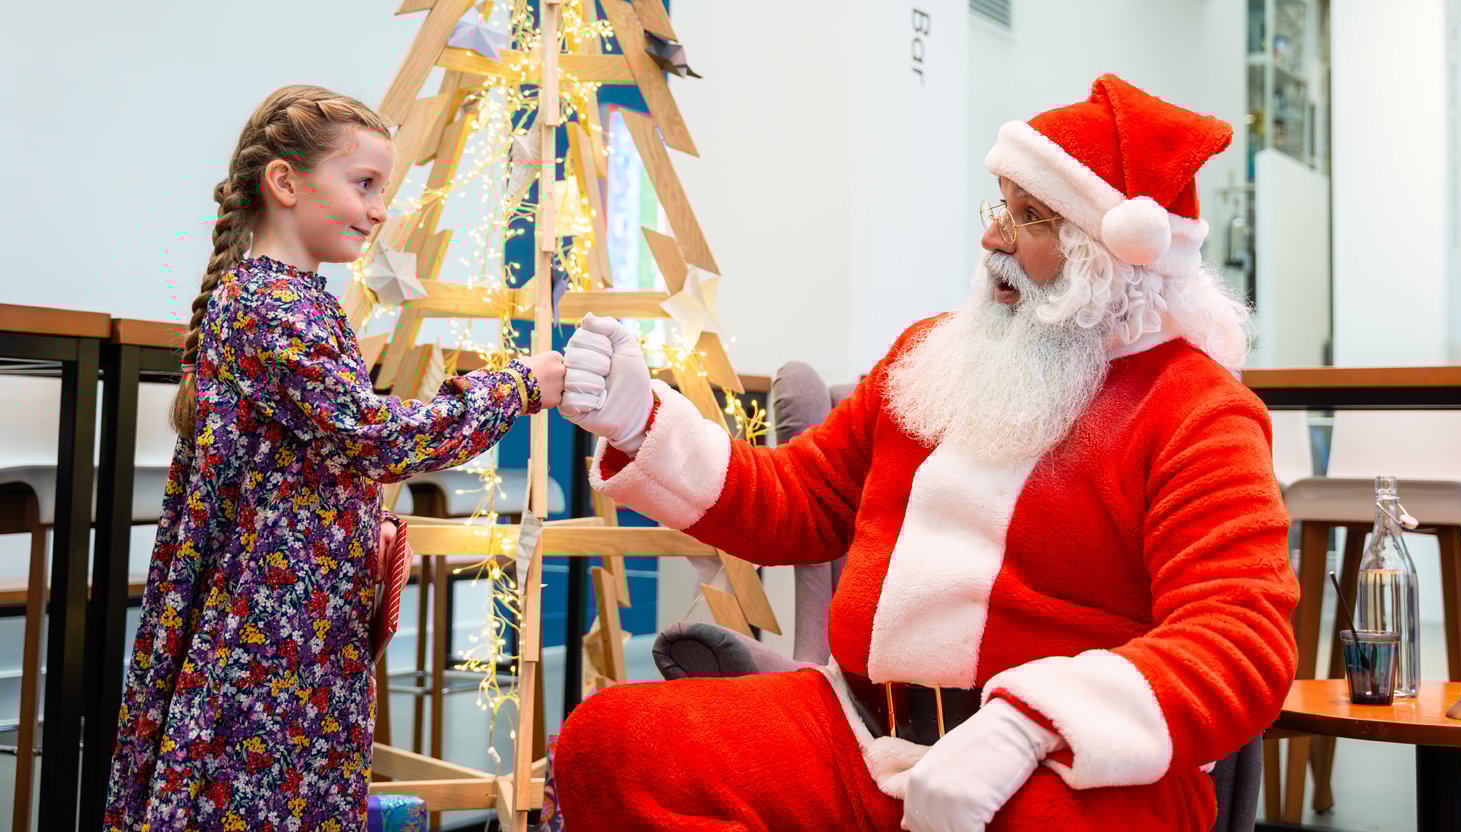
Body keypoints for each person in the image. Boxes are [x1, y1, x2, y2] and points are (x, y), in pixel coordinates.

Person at [552, 74, 1299, 832]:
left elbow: (1241, 640)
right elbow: (800, 501)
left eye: (1030, 217)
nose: (994, 237)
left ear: (1112, 256)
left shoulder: (1197, 411)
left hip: (1055, 767)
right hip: (859, 734)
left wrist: (1028, 726)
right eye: (1000, 206)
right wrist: (642, 422)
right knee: (613, 744)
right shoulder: (932, 353)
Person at [103, 84, 565, 831]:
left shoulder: (298, 301)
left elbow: (323, 454)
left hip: (303, 621)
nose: (379, 210)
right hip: (270, 631)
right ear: (285, 182)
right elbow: (375, 437)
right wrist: (515, 387)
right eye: (364, 184)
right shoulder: (270, 307)